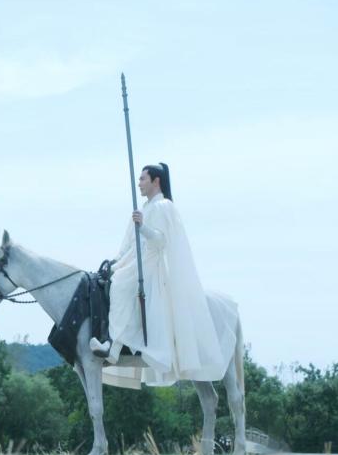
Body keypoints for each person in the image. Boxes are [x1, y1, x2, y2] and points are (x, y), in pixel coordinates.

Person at [94, 163, 234, 388]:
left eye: (142, 179)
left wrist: (143, 226)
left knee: (120, 285)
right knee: (110, 280)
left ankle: (114, 345)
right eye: (139, 179)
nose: (139, 183)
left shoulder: (163, 207)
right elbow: (130, 244)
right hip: (136, 261)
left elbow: (160, 241)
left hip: (154, 264)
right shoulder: (145, 207)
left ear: (155, 181)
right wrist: (116, 262)